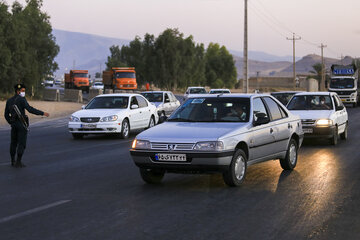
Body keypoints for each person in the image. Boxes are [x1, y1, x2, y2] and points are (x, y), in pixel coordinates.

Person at [4, 84, 50, 168]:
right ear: (18, 91)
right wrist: (42, 113)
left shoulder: (9, 100)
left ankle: (12, 161)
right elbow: (30, 109)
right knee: (22, 143)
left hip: (14, 124)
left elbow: (6, 115)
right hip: (21, 124)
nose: (24, 92)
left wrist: (11, 123)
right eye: (23, 91)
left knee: (13, 143)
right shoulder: (22, 99)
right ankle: (18, 162)